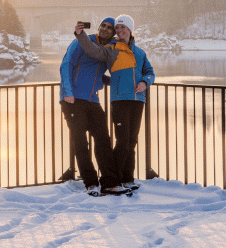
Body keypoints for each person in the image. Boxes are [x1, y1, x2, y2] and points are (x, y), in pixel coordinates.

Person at [74, 14, 155, 191]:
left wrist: (144, 82)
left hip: (138, 100)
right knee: (122, 142)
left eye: (123, 27)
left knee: (132, 142)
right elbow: (93, 51)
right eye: (117, 28)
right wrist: (80, 35)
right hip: (119, 100)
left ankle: (127, 178)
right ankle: (113, 181)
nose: (119, 30)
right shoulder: (111, 48)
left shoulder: (140, 53)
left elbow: (150, 72)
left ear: (130, 29)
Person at [59, 17, 128, 196]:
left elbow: (96, 74)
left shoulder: (107, 49)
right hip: (73, 98)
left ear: (113, 32)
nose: (105, 29)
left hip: (92, 100)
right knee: (80, 141)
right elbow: (66, 65)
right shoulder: (83, 41)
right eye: (103, 25)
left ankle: (110, 183)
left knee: (103, 140)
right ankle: (90, 183)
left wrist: (115, 82)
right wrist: (68, 92)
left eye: (109, 27)